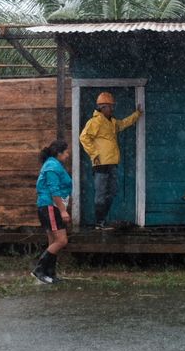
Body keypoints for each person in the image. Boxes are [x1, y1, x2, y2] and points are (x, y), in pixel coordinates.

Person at [78, 91, 142, 230]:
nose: (113, 109)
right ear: (103, 107)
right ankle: (99, 223)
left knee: (112, 191)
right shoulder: (95, 122)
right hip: (100, 163)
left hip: (112, 163)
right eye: (110, 106)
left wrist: (136, 114)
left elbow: (123, 123)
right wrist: (94, 153)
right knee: (100, 194)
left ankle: (101, 220)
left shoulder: (112, 122)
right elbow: (84, 137)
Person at [32, 139, 73, 284]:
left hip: (49, 206)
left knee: (53, 241)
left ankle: (49, 274)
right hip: (50, 206)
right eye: (66, 152)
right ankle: (39, 270)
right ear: (59, 153)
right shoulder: (52, 167)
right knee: (62, 240)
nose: (68, 154)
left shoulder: (53, 164)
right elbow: (54, 190)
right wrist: (62, 211)